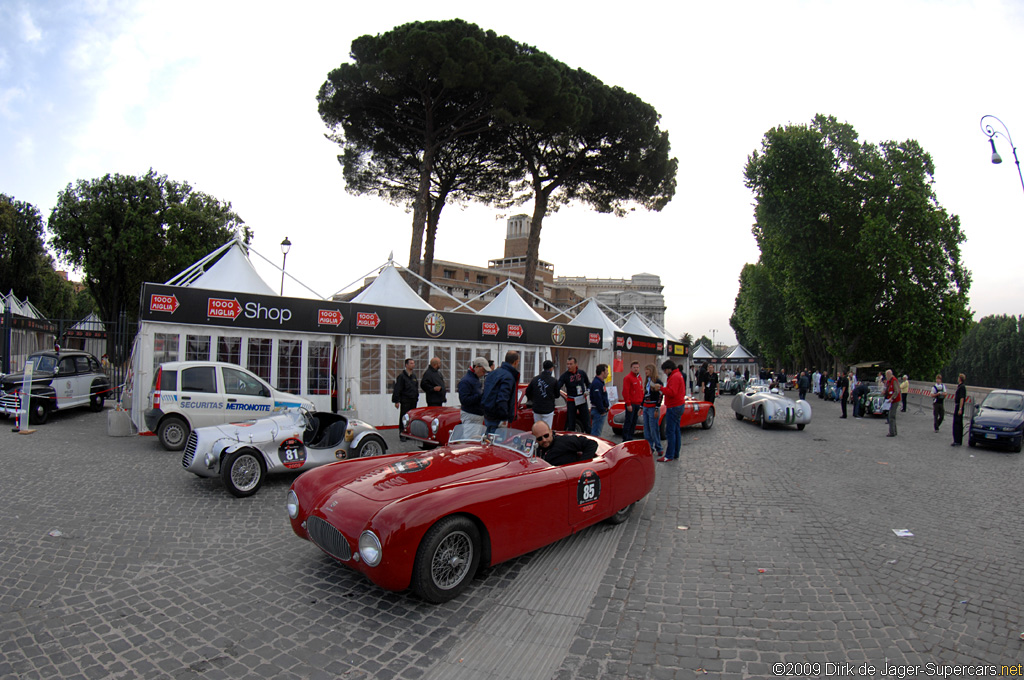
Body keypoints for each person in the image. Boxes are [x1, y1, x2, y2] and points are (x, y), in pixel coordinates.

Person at [651, 360, 686, 462]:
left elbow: (672, 392)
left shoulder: (674, 377)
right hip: (678, 405)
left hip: (674, 406)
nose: (665, 373)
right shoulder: (678, 375)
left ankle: (669, 455)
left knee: (670, 431)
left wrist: (661, 388)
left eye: (665, 370)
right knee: (676, 431)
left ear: (669, 369)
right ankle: (675, 453)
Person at [482, 351, 520, 435]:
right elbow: (502, 398)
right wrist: (505, 416)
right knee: (497, 443)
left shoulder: (493, 373)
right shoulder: (508, 377)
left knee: (487, 440)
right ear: (515, 362)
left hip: (488, 413)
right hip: (498, 417)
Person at [531, 421, 597, 466]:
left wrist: (581, 465)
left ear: (551, 432)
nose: (544, 440)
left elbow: (591, 444)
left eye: (546, 435)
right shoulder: (535, 449)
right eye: (540, 438)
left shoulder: (564, 441)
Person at [557, 357, 590, 433]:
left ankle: (589, 437)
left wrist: (588, 390)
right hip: (571, 400)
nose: (569, 366)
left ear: (576, 364)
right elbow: (558, 386)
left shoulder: (581, 373)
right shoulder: (565, 375)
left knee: (586, 421)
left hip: (581, 399)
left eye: (571, 364)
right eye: (567, 364)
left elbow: (588, 384)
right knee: (571, 422)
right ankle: (572, 438)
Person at [525, 360, 559, 427]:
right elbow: (557, 395)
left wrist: (533, 398)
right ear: (551, 368)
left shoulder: (535, 379)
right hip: (548, 408)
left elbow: (527, 391)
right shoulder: (553, 381)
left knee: (537, 428)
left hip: (537, 408)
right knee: (547, 429)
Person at [457, 357, 490, 425]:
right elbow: (464, 400)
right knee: (470, 435)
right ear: (477, 367)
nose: (483, 374)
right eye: (483, 371)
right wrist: (481, 396)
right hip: (470, 416)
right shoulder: (466, 381)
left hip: (475, 416)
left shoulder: (475, 379)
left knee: (474, 435)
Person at [641, 364, 664, 457]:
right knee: (646, 428)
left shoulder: (657, 381)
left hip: (653, 406)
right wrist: (641, 407)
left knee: (653, 428)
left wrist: (657, 408)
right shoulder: (647, 381)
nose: (646, 372)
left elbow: (660, 395)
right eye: (645, 370)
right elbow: (645, 394)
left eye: (647, 370)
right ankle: (649, 447)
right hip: (646, 406)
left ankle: (659, 447)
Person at [391, 358, 418, 427]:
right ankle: (402, 432)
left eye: (413, 363)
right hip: (405, 400)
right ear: (406, 365)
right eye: (411, 363)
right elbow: (397, 389)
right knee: (404, 417)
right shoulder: (402, 377)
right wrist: (396, 401)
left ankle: (410, 431)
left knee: (412, 417)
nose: (413, 365)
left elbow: (416, 387)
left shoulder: (414, 376)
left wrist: (416, 396)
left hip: (413, 400)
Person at [621, 361, 644, 441]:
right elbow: (625, 392)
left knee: (634, 422)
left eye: (637, 367)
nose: (636, 369)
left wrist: (642, 403)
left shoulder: (639, 378)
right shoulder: (628, 378)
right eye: (634, 368)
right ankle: (625, 438)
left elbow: (641, 391)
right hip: (631, 404)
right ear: (631, 368)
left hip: (638, 403)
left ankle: (630, 437)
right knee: (629, 421)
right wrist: (628, 403)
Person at [589, 364, 610, 437]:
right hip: (598, 411)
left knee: (597, 431)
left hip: (600, 410)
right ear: (602, 372)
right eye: (606, 371)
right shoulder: (597, 383)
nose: (608, 373)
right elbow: (597, 398)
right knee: (596, 433)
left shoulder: (601, 382)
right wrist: (602, 411)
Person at [883, 368, 901, 437]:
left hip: (894, 400)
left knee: (891, 416)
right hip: (890, 400)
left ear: (889, 375)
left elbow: (897, 391)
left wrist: (892, 398)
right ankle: (894, 431)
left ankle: (892, 432)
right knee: (892, 416)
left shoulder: (894, 381)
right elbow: (887, 388)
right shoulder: (889, 381)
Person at [952, 373, 966, 446]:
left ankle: (957, 440)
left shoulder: (962, 387)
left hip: (959, 406)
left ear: (960, 379)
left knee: (957, 423)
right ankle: (957, 440)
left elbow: (962, 398)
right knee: (958, 423)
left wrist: (960, 408)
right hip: (958, 406)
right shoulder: (961, 386)